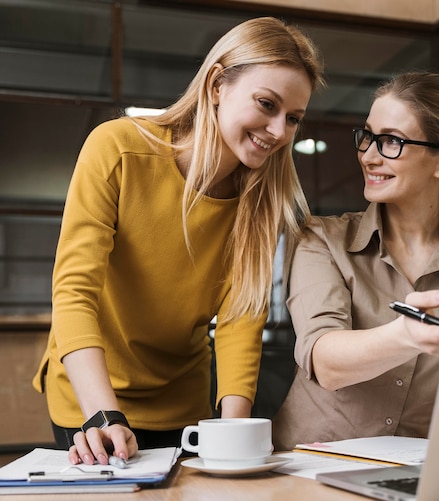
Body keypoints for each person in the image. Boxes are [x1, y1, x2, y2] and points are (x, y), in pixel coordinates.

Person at [32, 16, 325, 466]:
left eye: (293, 119)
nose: (279, 130)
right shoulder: (117, 149)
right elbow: (74, 292)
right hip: (92, 399)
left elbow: (239, 321)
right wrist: (103, 414)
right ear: (216, 85)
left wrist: (233, 432)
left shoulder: (262, 203)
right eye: (267, 104)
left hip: (183, 407)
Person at [272, 71, 439, 451]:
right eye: (368, 136)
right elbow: (325, 360)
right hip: (313, 467)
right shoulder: (321, 239)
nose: (369, 155)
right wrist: (406, 336)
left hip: (418, 473)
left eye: (391, 141)